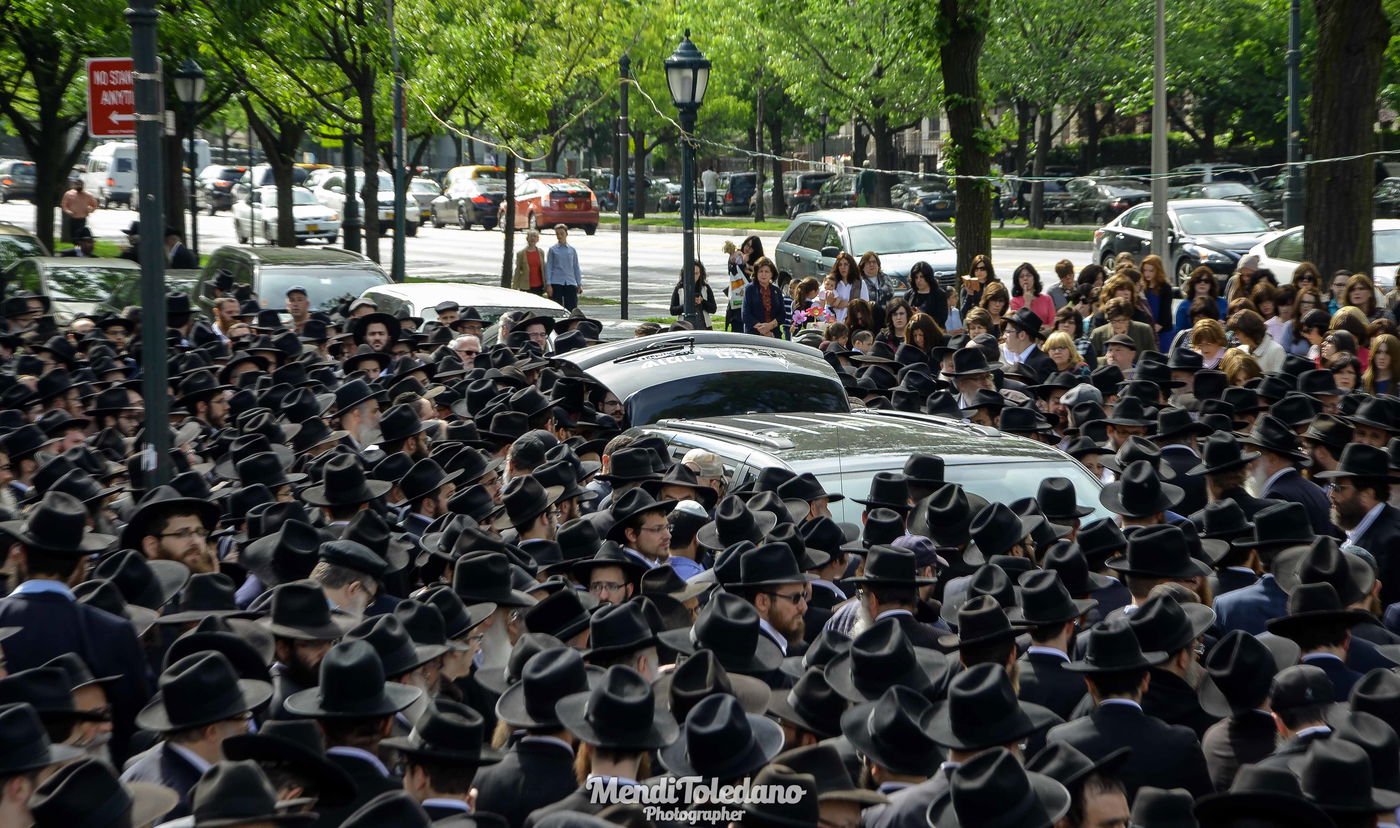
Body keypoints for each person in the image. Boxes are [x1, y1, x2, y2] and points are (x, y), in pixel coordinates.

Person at [742, 257, 786, 337]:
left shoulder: (776, 290)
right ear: (756, 273)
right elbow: (746, 315)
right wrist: (763, 330)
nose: (763, 274)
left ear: (771, 274)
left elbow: (782, 315)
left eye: (766, 272)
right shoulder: (750, 289)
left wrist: (769, 326)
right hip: (754, 335)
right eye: (760, 271)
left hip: (774, 334)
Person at [545, 225, 582, 310]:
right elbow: (549, 267)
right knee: (556, 307)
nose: (559, 236)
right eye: (557, 234)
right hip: (556, 281)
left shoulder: (572, 250)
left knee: (571, 307)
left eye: (562, 233)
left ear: (566, 234)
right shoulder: (553, 250)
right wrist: (548, 284)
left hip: (570, 282)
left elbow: (576, 267)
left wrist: (579, 283)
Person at [668, 261, 716, 328]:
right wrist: (687, 305)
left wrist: (702, 301)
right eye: (692, 273)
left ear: (700, 274)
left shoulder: (705, 288)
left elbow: (713, 309)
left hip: (704, 327)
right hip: (685, 327)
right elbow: (672, 310)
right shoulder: (680, 289)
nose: (694, 276)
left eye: (696, 273)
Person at [1010, 263, 1055, 327]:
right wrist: (1027, 303)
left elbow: (1052, 323)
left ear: (1034, 278)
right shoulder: (1014, 301)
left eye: (1028, 275)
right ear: (1018, 281)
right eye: (1021, 276)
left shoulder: (1047, 299)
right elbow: (1021, 324)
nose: (1025, 278)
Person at [512, 229, 546, 295]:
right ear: (527, 238)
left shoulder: (541, 252)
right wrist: (514, 285)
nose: (533, 238)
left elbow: (543, 269)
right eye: (531, 236)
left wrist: (546, 284)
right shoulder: (521, 253)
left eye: (535, 236)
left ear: (538, 239)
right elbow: (517, 270)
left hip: (539, 286)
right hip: (525, 286)